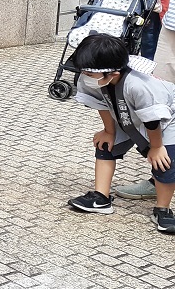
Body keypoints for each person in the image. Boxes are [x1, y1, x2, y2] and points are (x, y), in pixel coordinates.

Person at [67, 34, 175, 234]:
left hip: (166, 121)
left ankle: (163, 210)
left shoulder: (139, 84)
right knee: (106, 144)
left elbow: (153, 120)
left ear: (113, 73)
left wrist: (157, 147)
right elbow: (101, 103)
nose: (84, 76)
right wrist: (109, 131)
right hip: (129, 118)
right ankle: (101, 198)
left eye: (89, 73)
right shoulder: (95, 77)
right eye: (84, 71)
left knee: (165, 161)